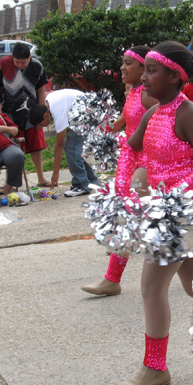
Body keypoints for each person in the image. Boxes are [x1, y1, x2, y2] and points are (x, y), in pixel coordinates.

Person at [112, 41, 193, 385]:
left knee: (150, 286)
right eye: (143, 70)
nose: (143, 77)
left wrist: (174, 192)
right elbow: (130, 150)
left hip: (188, 208)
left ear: (175, 77)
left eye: (151, 71)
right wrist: (121, 191)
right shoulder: (154, 112)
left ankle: (155, 368)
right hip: (166, 208)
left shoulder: (187, 112)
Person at [81, 46, 156, 297]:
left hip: (146, 160)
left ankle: (112, 279)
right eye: (121, 63)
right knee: (128, 212)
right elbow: (125, 121)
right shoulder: (132, 93)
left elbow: (165, 120)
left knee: (131, 214)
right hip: (128, 157)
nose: (122, 67)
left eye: (127, 63)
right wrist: (100, 130)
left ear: (144, 69)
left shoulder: (148, 95)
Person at [0, 42, 50, 185]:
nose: (20, 65)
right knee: (12, 147)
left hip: (31, 112)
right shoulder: (3, 64)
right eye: (17, 62)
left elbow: (41, 89)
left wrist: (40, 113)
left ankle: (41, 177)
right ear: (12, 58)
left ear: (29, 58)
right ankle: (11, 181)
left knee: (36, 145)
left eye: (24, 62)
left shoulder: (36, 66)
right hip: (9, 113)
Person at [27, 88, 99, 197]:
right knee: (79, 150)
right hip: (88, 110)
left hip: (89, 113)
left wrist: (56, 172)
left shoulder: (57, 112)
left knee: (71, 147)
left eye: (40, 124)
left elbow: (59, 145)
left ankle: (81, 185)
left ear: (45, 116)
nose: (40, 127)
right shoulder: (48, 102)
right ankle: (91, 180)